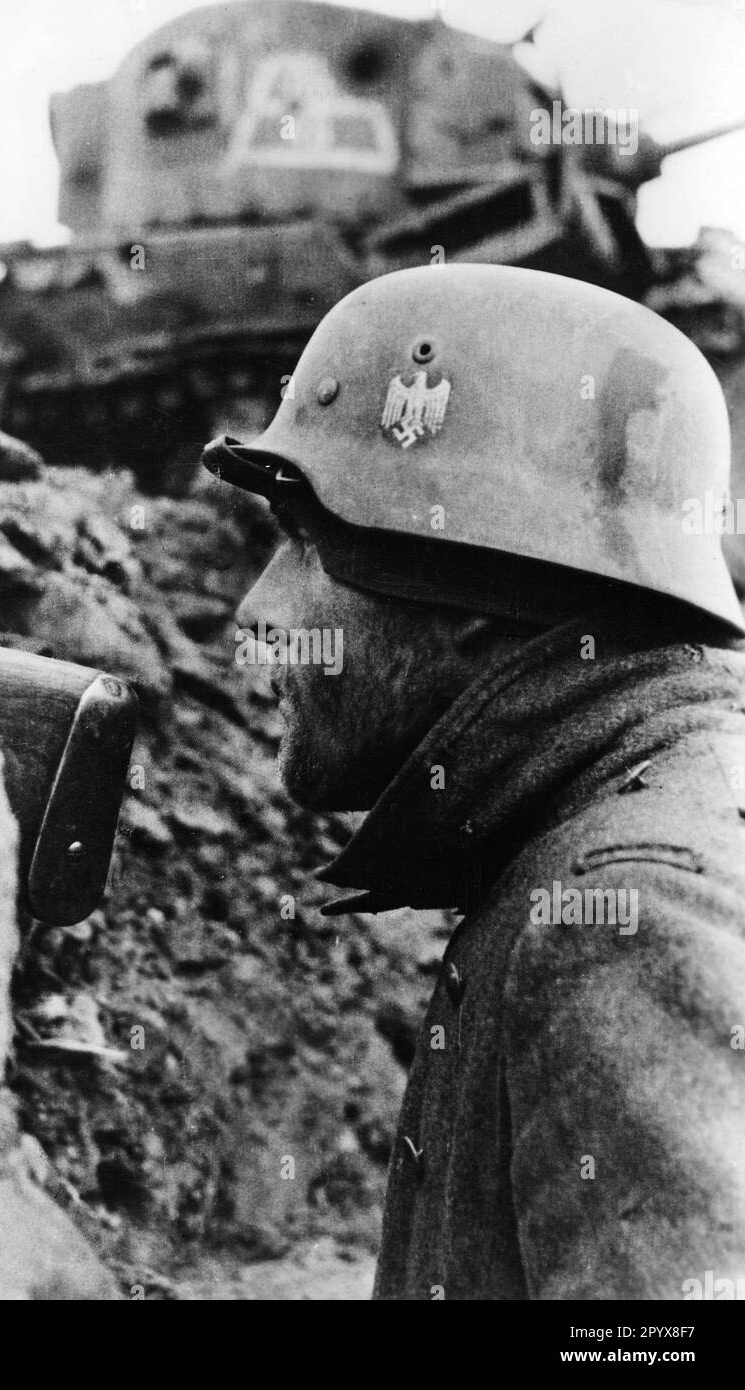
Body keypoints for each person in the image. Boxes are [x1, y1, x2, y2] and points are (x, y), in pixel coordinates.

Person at [201, 264, 745, 1300]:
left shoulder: (624, 910)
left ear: (463, 587)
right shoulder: (625, 817)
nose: (253, 615)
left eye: (305, 549)